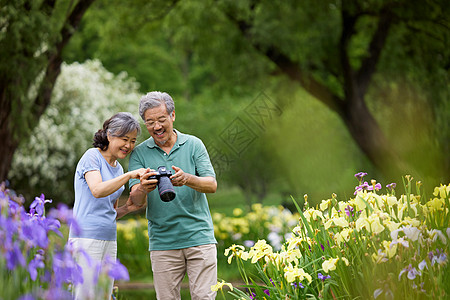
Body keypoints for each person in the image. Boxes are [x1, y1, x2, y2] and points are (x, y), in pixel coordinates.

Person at [128, 91, 218, 300]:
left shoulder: (194, 144)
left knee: (204, 298)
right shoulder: (139, 154)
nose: (157, 127)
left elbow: (211, 185)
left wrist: (187, 178)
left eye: (161, 119)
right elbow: (136, 200)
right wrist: (143, 187)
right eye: (150, 122)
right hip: (163, 242)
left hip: (199, 237)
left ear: (172, 116)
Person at [69, 112, 146, 300]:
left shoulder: (118, 168)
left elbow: (107, 211)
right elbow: (97, 190)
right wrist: (129, 176)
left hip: (109, 239)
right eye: (124, 139)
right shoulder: (92, 157)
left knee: (103, 295)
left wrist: (127, 209)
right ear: (110, 135)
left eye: (133, 141)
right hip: (86, 238)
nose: (128, 146)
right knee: (84, 295)